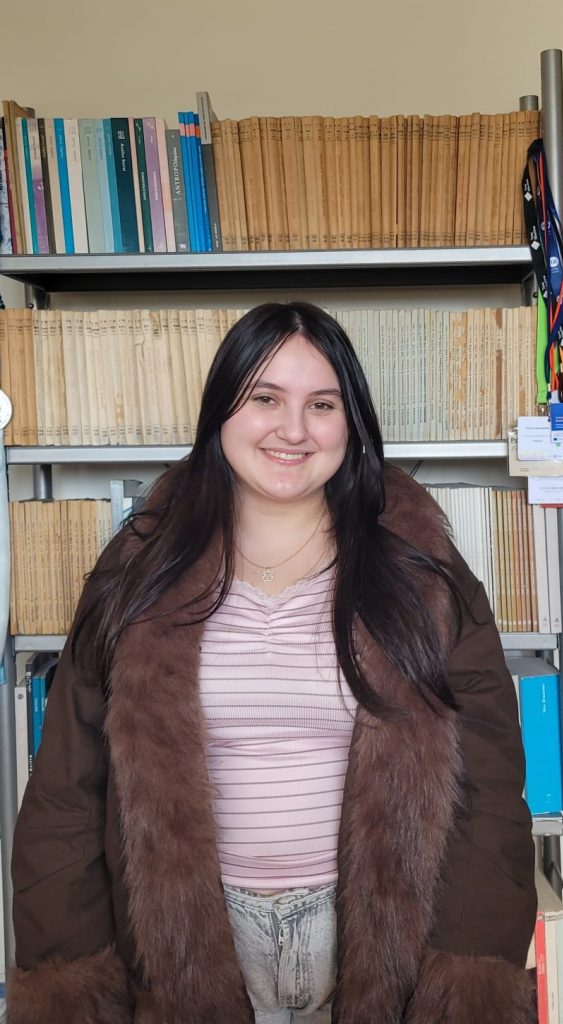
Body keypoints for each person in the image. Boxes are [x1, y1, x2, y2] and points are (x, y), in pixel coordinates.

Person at [8, 301, 536, 1024]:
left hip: (377, 943)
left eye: (321, 404)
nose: (293, 430)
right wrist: (72, 978)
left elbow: (489, 782)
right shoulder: (140, 567)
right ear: (220, 410)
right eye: (264, 398)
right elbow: (68, 789)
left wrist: (467, 971)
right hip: (187, 941)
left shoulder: (421, 570)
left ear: (349, 422)